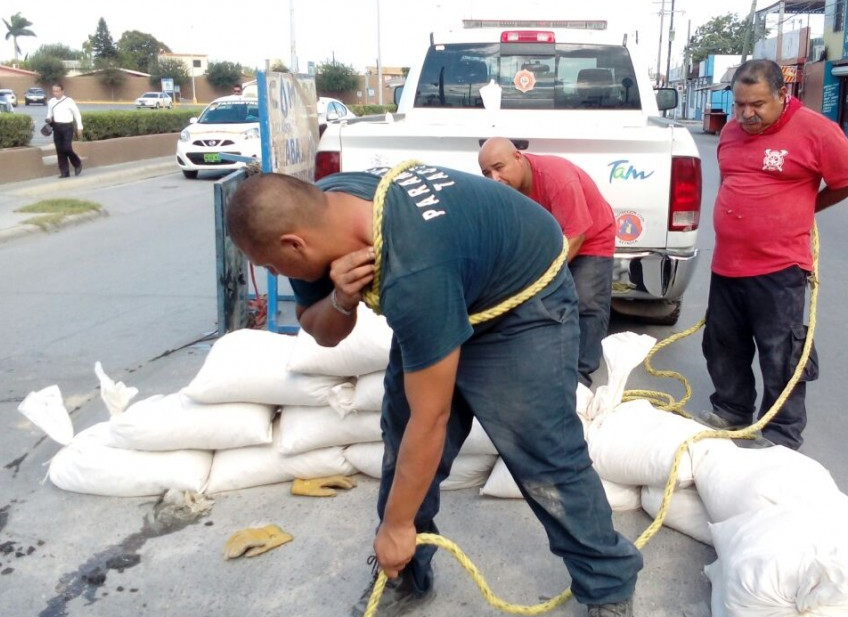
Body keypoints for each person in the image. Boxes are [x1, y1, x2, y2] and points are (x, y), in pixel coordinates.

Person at [225, 167, 642, 617]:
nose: (271, 273)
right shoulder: (319, 212)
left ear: (293, 244)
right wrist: (341, 300)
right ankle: (403, 574)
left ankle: (608, 584)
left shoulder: (412, 269)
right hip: (451, 284)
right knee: (402, 439)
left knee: (542, 449)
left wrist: (396, 524)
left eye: (269, 266)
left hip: (521, 303)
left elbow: (433, 418)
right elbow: (321, 331)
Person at [700, 59, 848, 450]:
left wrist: (806, 207)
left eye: (756, 104)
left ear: (782, 95)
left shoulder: (814, 130)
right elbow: (732, 179)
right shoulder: (730, 132)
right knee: (724, 344)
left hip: (779, 266)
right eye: (739, 104)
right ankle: (732, 410)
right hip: (727, 262)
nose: (746, 114)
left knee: (781, 353)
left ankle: (780, 432)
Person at [478, 137, 616, 386]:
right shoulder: (502, 191)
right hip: (551, 242)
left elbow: (576, 235)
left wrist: (542, 278)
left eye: (499, 167)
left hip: (590, 238)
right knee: (539, 307)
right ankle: (546, 365)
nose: (494, 178)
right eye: (487, 173)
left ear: (518, 157)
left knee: (586, 302)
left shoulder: (557, 177)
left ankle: (580, 378)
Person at [46, 83, 83, 178]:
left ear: (62, 91)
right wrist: (49, 119)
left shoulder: (69, 101)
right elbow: (49, 114)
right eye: (54, 91)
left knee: (66, 148)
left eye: (58, 91)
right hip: (57, 127)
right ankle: (64, 172)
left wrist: (79, 127)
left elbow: (77, 114)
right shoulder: (51, 102)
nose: (56, 93)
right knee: (59, 150)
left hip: (67, 127)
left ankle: (77, 163)